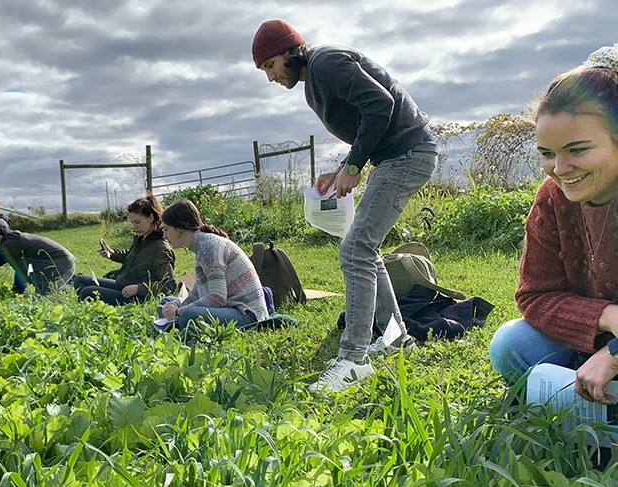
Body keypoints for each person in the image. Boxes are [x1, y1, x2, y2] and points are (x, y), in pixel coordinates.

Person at [251, 20, 438, 392]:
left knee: (356, 248)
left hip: (408, 154)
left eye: (269, 65)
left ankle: (353, 359)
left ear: (290, 50)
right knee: (363, 248)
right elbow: (368, 124)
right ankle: (396, 338)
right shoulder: (315, 79)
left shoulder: (326, 63)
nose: (270, 77)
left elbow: (380, 103)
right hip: (395, 156)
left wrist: (354, 167)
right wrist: (341, 168)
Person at [489, 44, 618, 406]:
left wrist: (616, 353)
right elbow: (535, 295)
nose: (560, 170)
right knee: (511, 345)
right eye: (548, 154)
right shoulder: (553, 197)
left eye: (577, 150)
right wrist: (610, 317)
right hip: (593, 341)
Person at [157, 198, 268, 330]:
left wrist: (178, 311)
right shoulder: (201, 245)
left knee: (188, 315)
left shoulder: (208, 246)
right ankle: (178, 321)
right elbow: (197, 292)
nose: (164, 236)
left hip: (247, 314)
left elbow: (217, 298)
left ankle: (177, 322)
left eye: (166, 229)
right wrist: (177, 305)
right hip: (227, 307)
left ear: (179, 228)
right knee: (165, 304)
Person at [73, 195, 176, 305]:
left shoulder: (161, 249)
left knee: (87, 292)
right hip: (123, 284)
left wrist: (139, 288)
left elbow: (169, 285)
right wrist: (111, 253)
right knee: (80, 280)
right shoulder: (143, 238)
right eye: (132, 222)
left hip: (136, 296)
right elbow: (131, 255)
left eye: (137, 222)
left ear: (151, 218)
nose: (134, 226)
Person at [0, 225, 76, 294]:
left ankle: (79, 287)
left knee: (49, 296)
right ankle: (74, 286)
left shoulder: (12, 242)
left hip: (62, 265)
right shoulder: (13, 240)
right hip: (53, 265)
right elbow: (19, 270)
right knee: (42, 294)